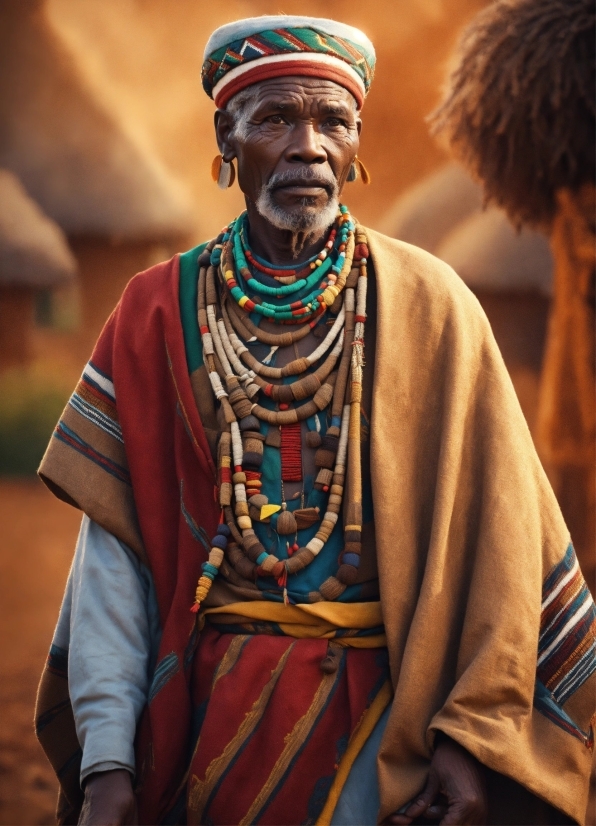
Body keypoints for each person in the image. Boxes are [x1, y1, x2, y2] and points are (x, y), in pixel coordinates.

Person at [35, 16, 595, 826]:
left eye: (332, 121)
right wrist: (109, 766)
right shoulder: (155, 313)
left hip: (389, 737)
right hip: (196, 734)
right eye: (274, 120)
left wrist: (472, 740)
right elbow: (112, 571)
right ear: (226, 144)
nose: (307, 146)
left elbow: (505, 550)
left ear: (357, 145)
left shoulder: (433, 308)